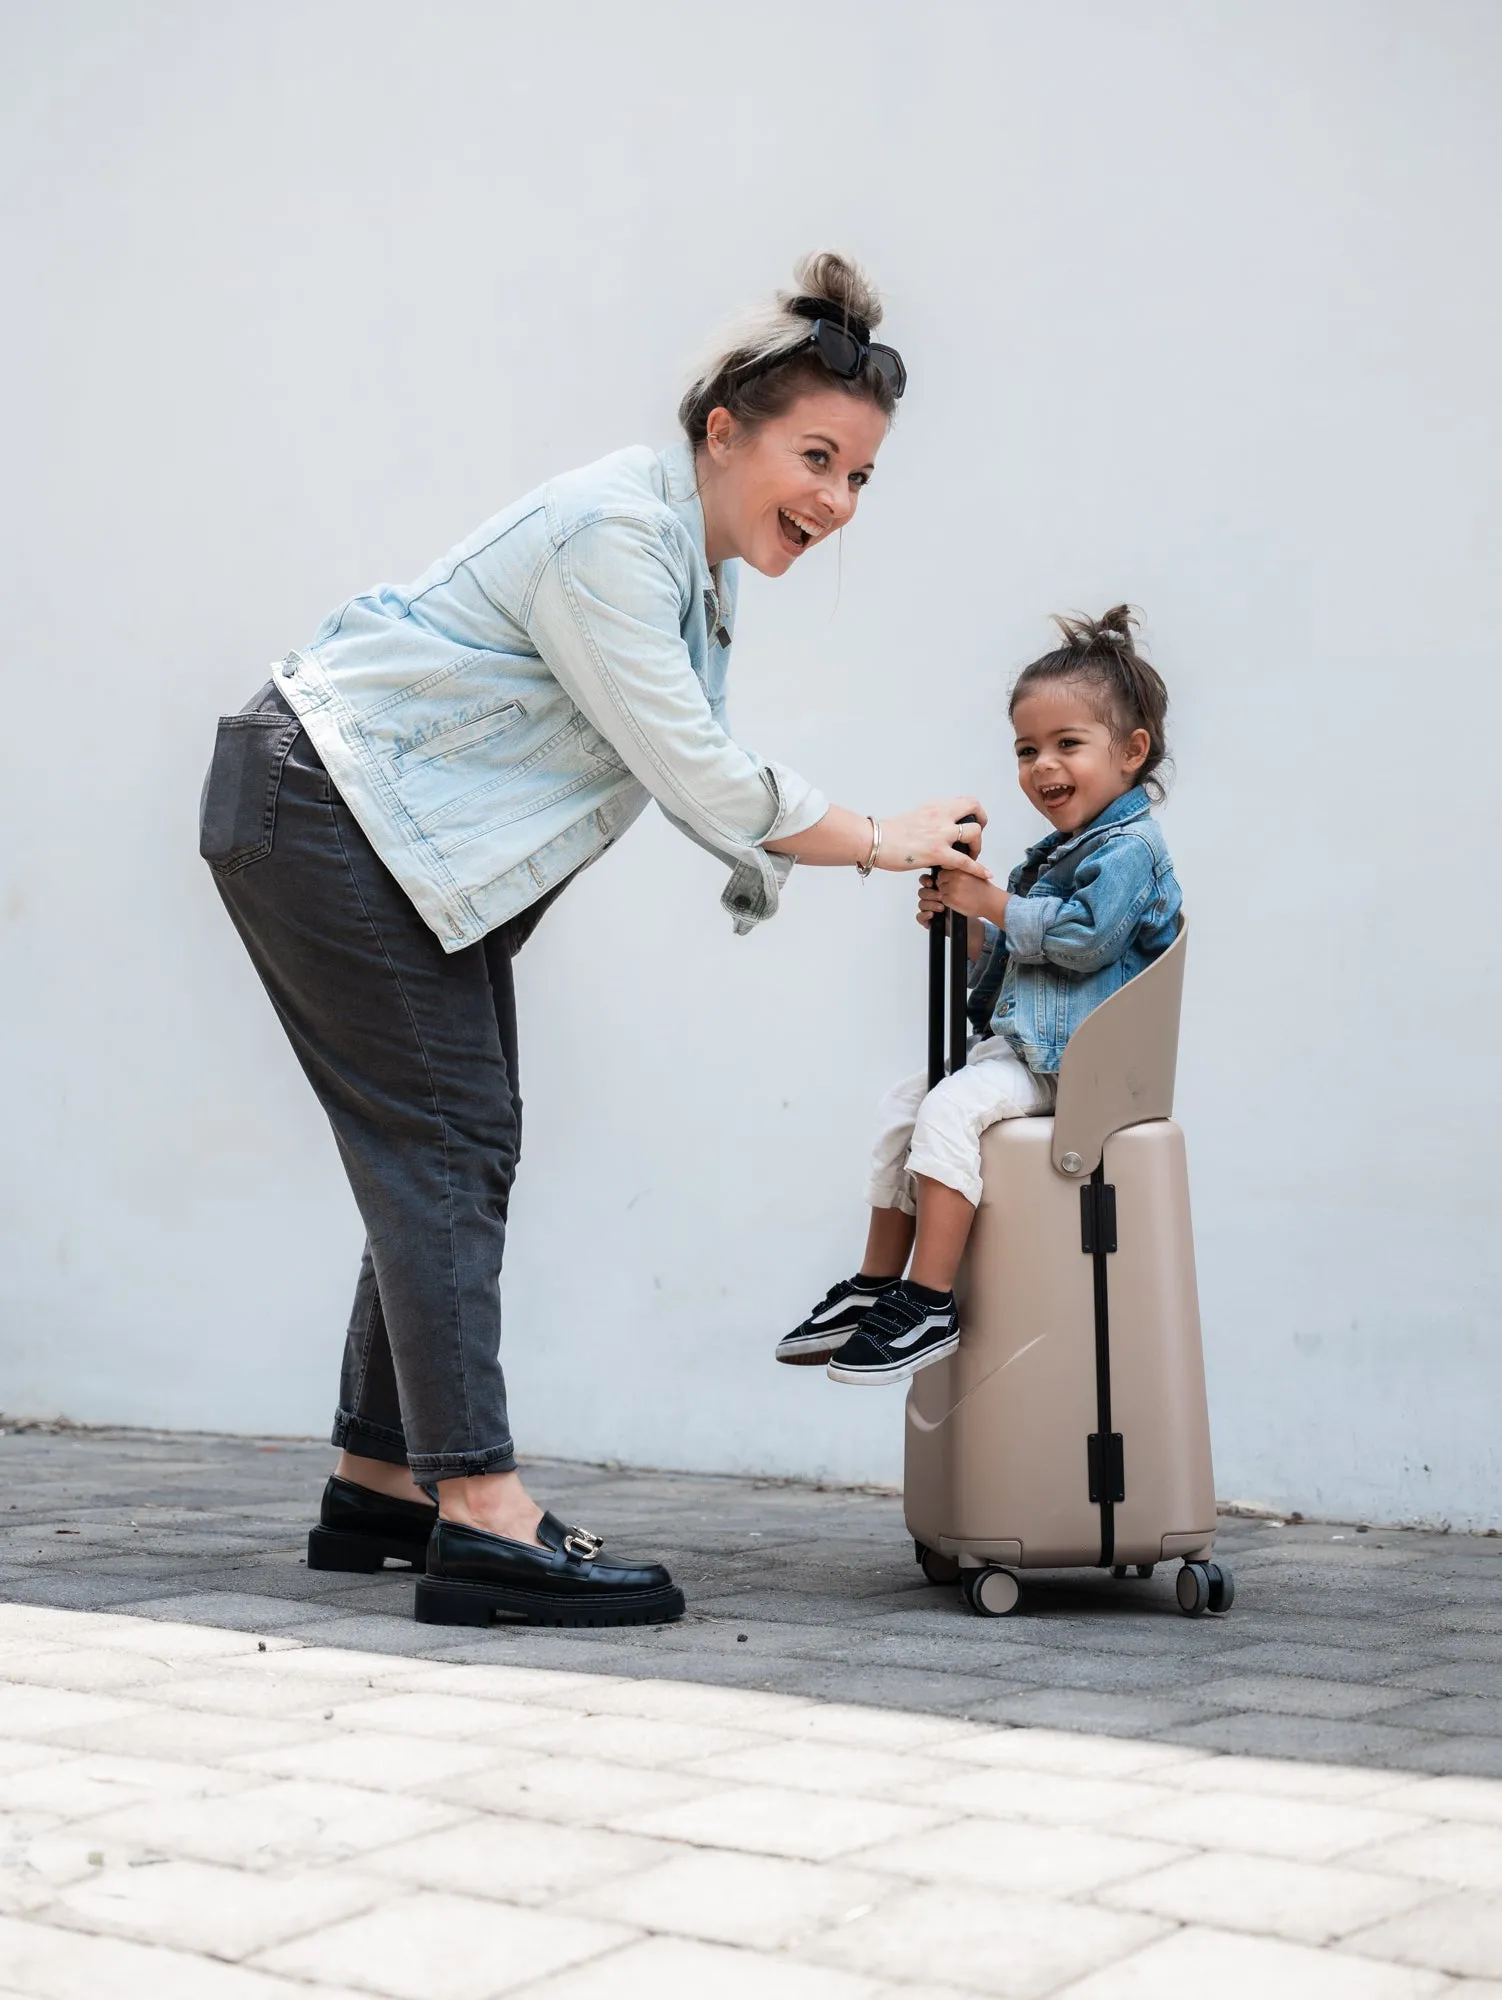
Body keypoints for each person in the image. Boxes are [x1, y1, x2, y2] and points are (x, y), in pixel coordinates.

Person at [199, 251, 993, 1629]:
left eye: (860, 477)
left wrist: (776, 861)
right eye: (815, 457)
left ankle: (383, 1478)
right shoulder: (612, 539)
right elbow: (692, 765)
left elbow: (689, 770)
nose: (835, 501)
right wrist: (880, 838)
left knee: (459, 1139)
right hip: (325, 807)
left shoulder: (693, 570)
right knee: (445, 1141)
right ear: (721, 430)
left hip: (394, 845)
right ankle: (481, 1514)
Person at [776, 606, 1183, 1386]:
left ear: (1132, 752)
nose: (1042, 766)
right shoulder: (1057, 857)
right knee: (910, 1098)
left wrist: (991, 902)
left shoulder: (1131, 850)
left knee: (951, 1107)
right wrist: (968, 930)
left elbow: (1082, 942)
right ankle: (875, 1283)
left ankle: (928, 1301)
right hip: (1037, 1045)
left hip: (1083, 1065)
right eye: (1027, 749)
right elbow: (1018, 974)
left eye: (1068, 744)